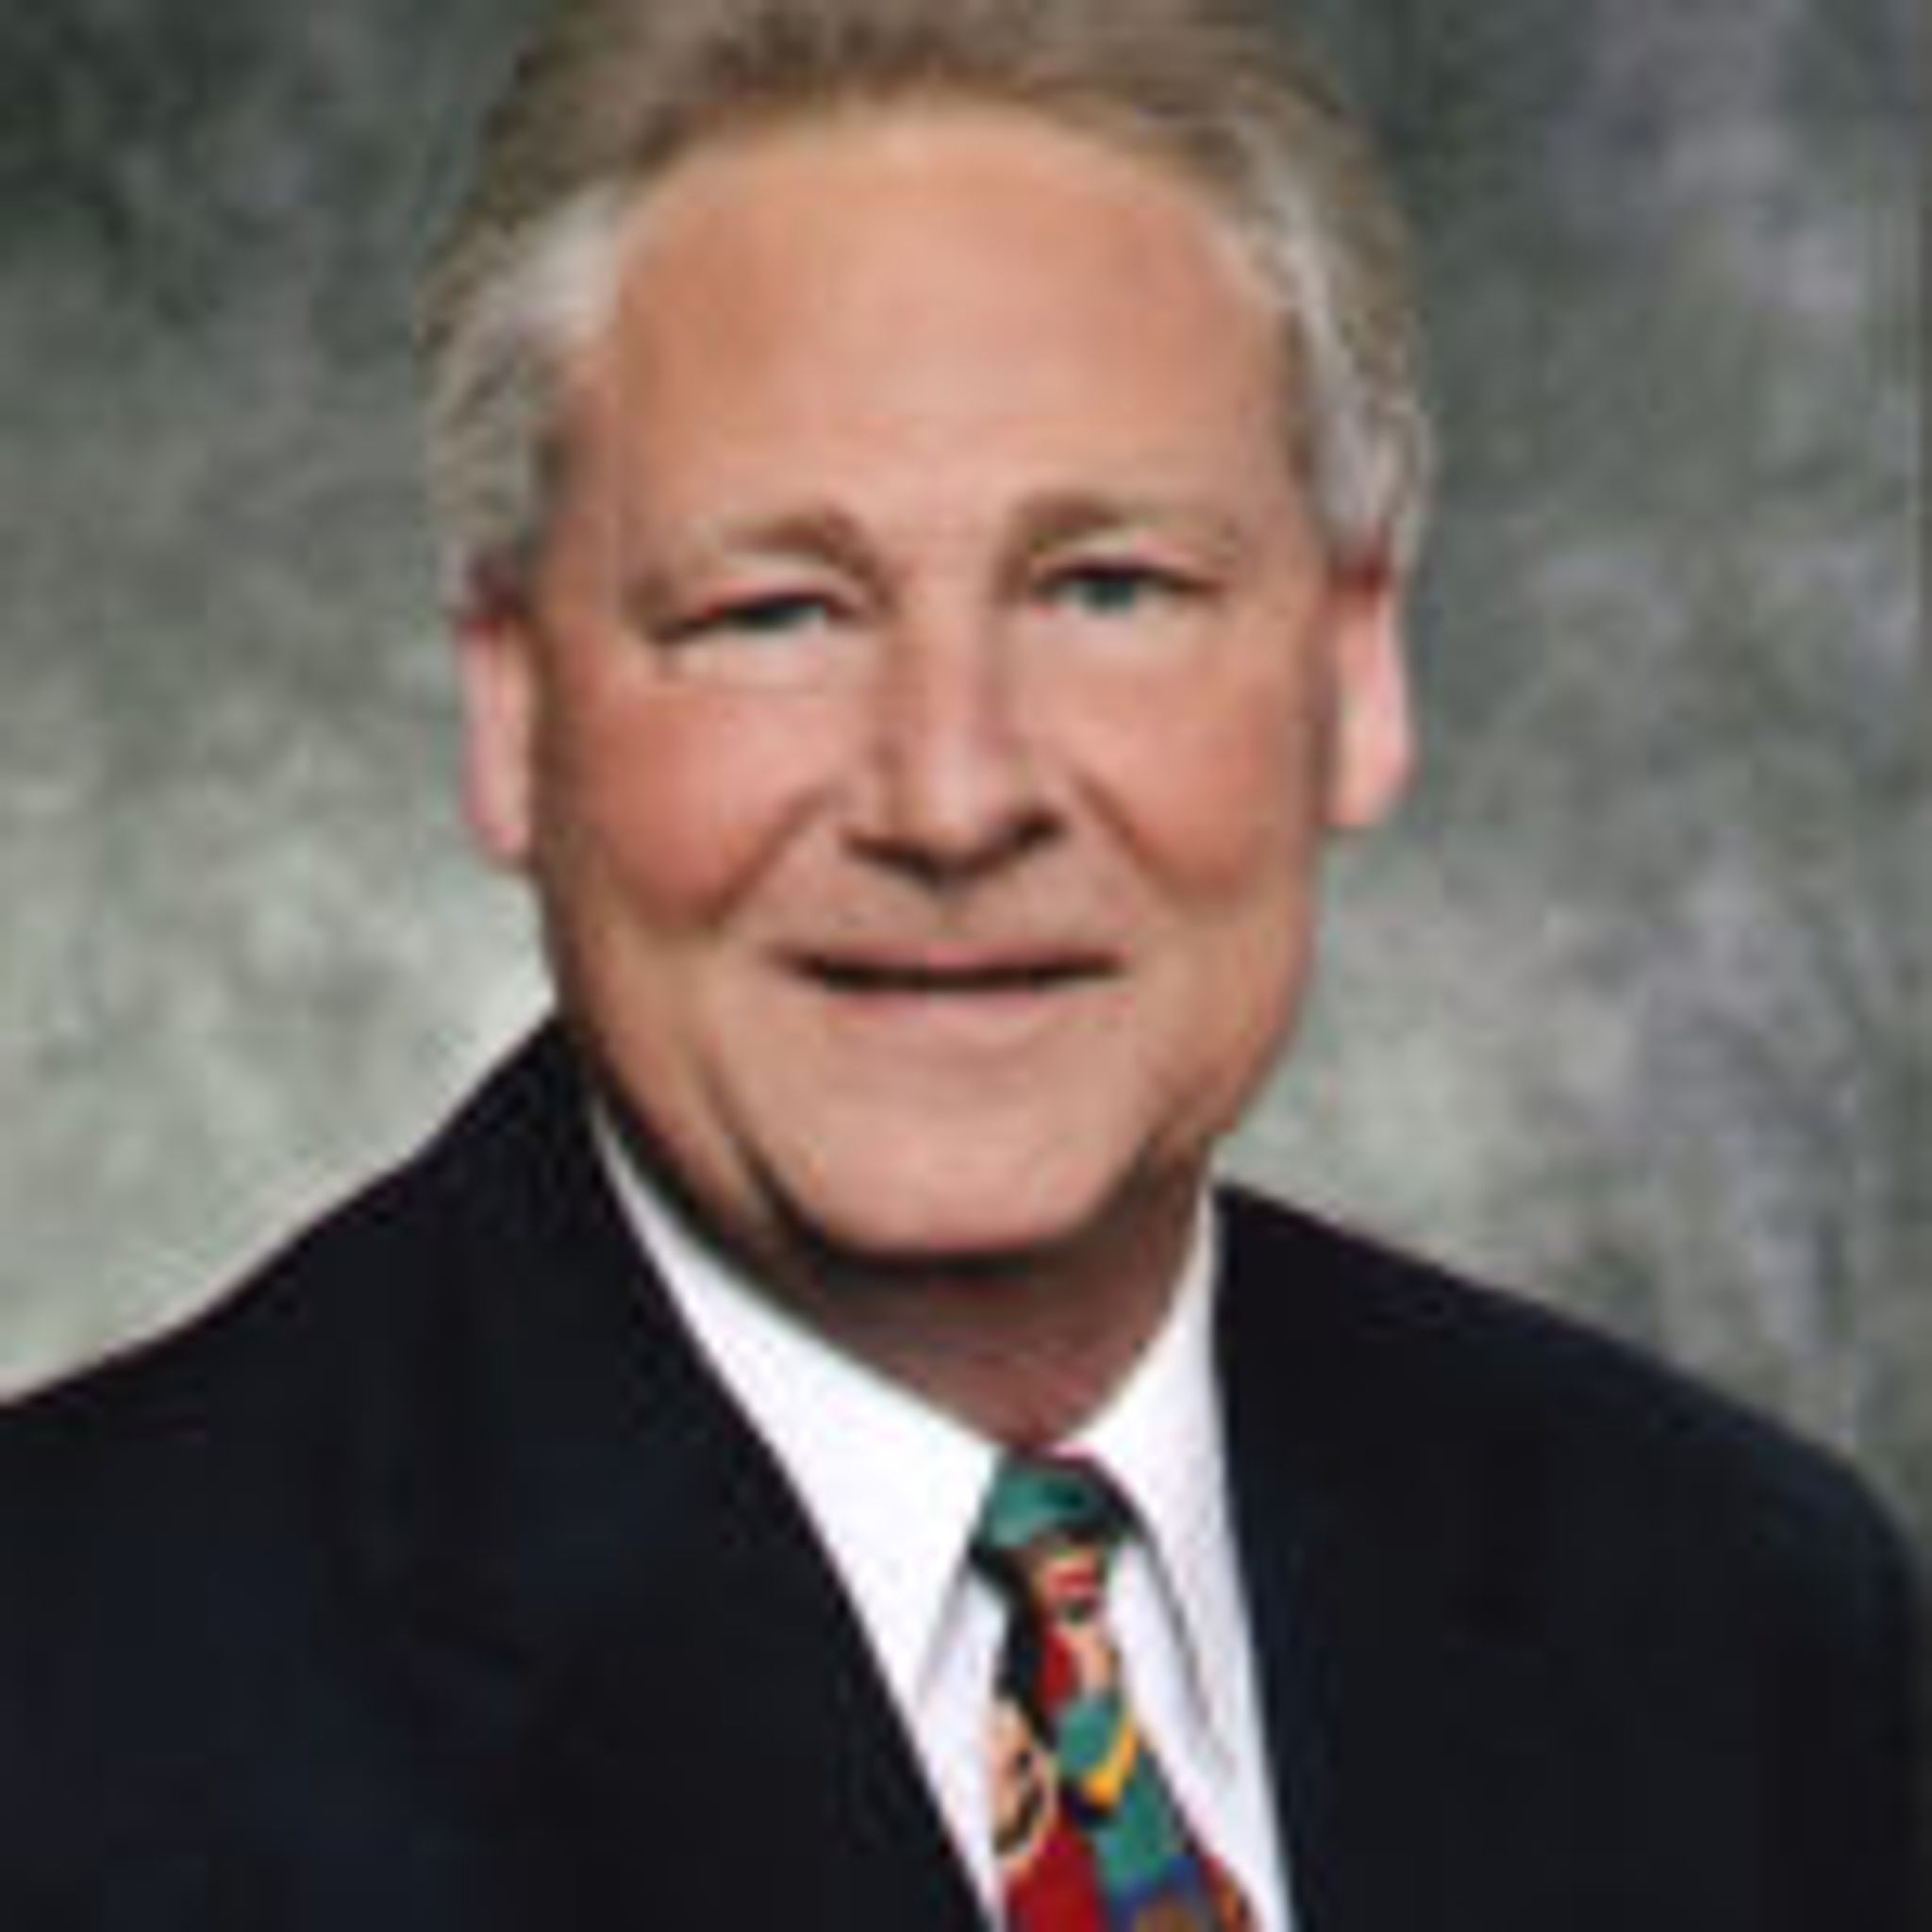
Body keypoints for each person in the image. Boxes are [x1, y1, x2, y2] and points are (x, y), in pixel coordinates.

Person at [0, 0, 1916, 1925]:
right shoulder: (69, 1704)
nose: (952, 794)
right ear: (513, 710)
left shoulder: (1739, 1620)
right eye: (775, 610)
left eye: (1109, 587)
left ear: (1355, 670)